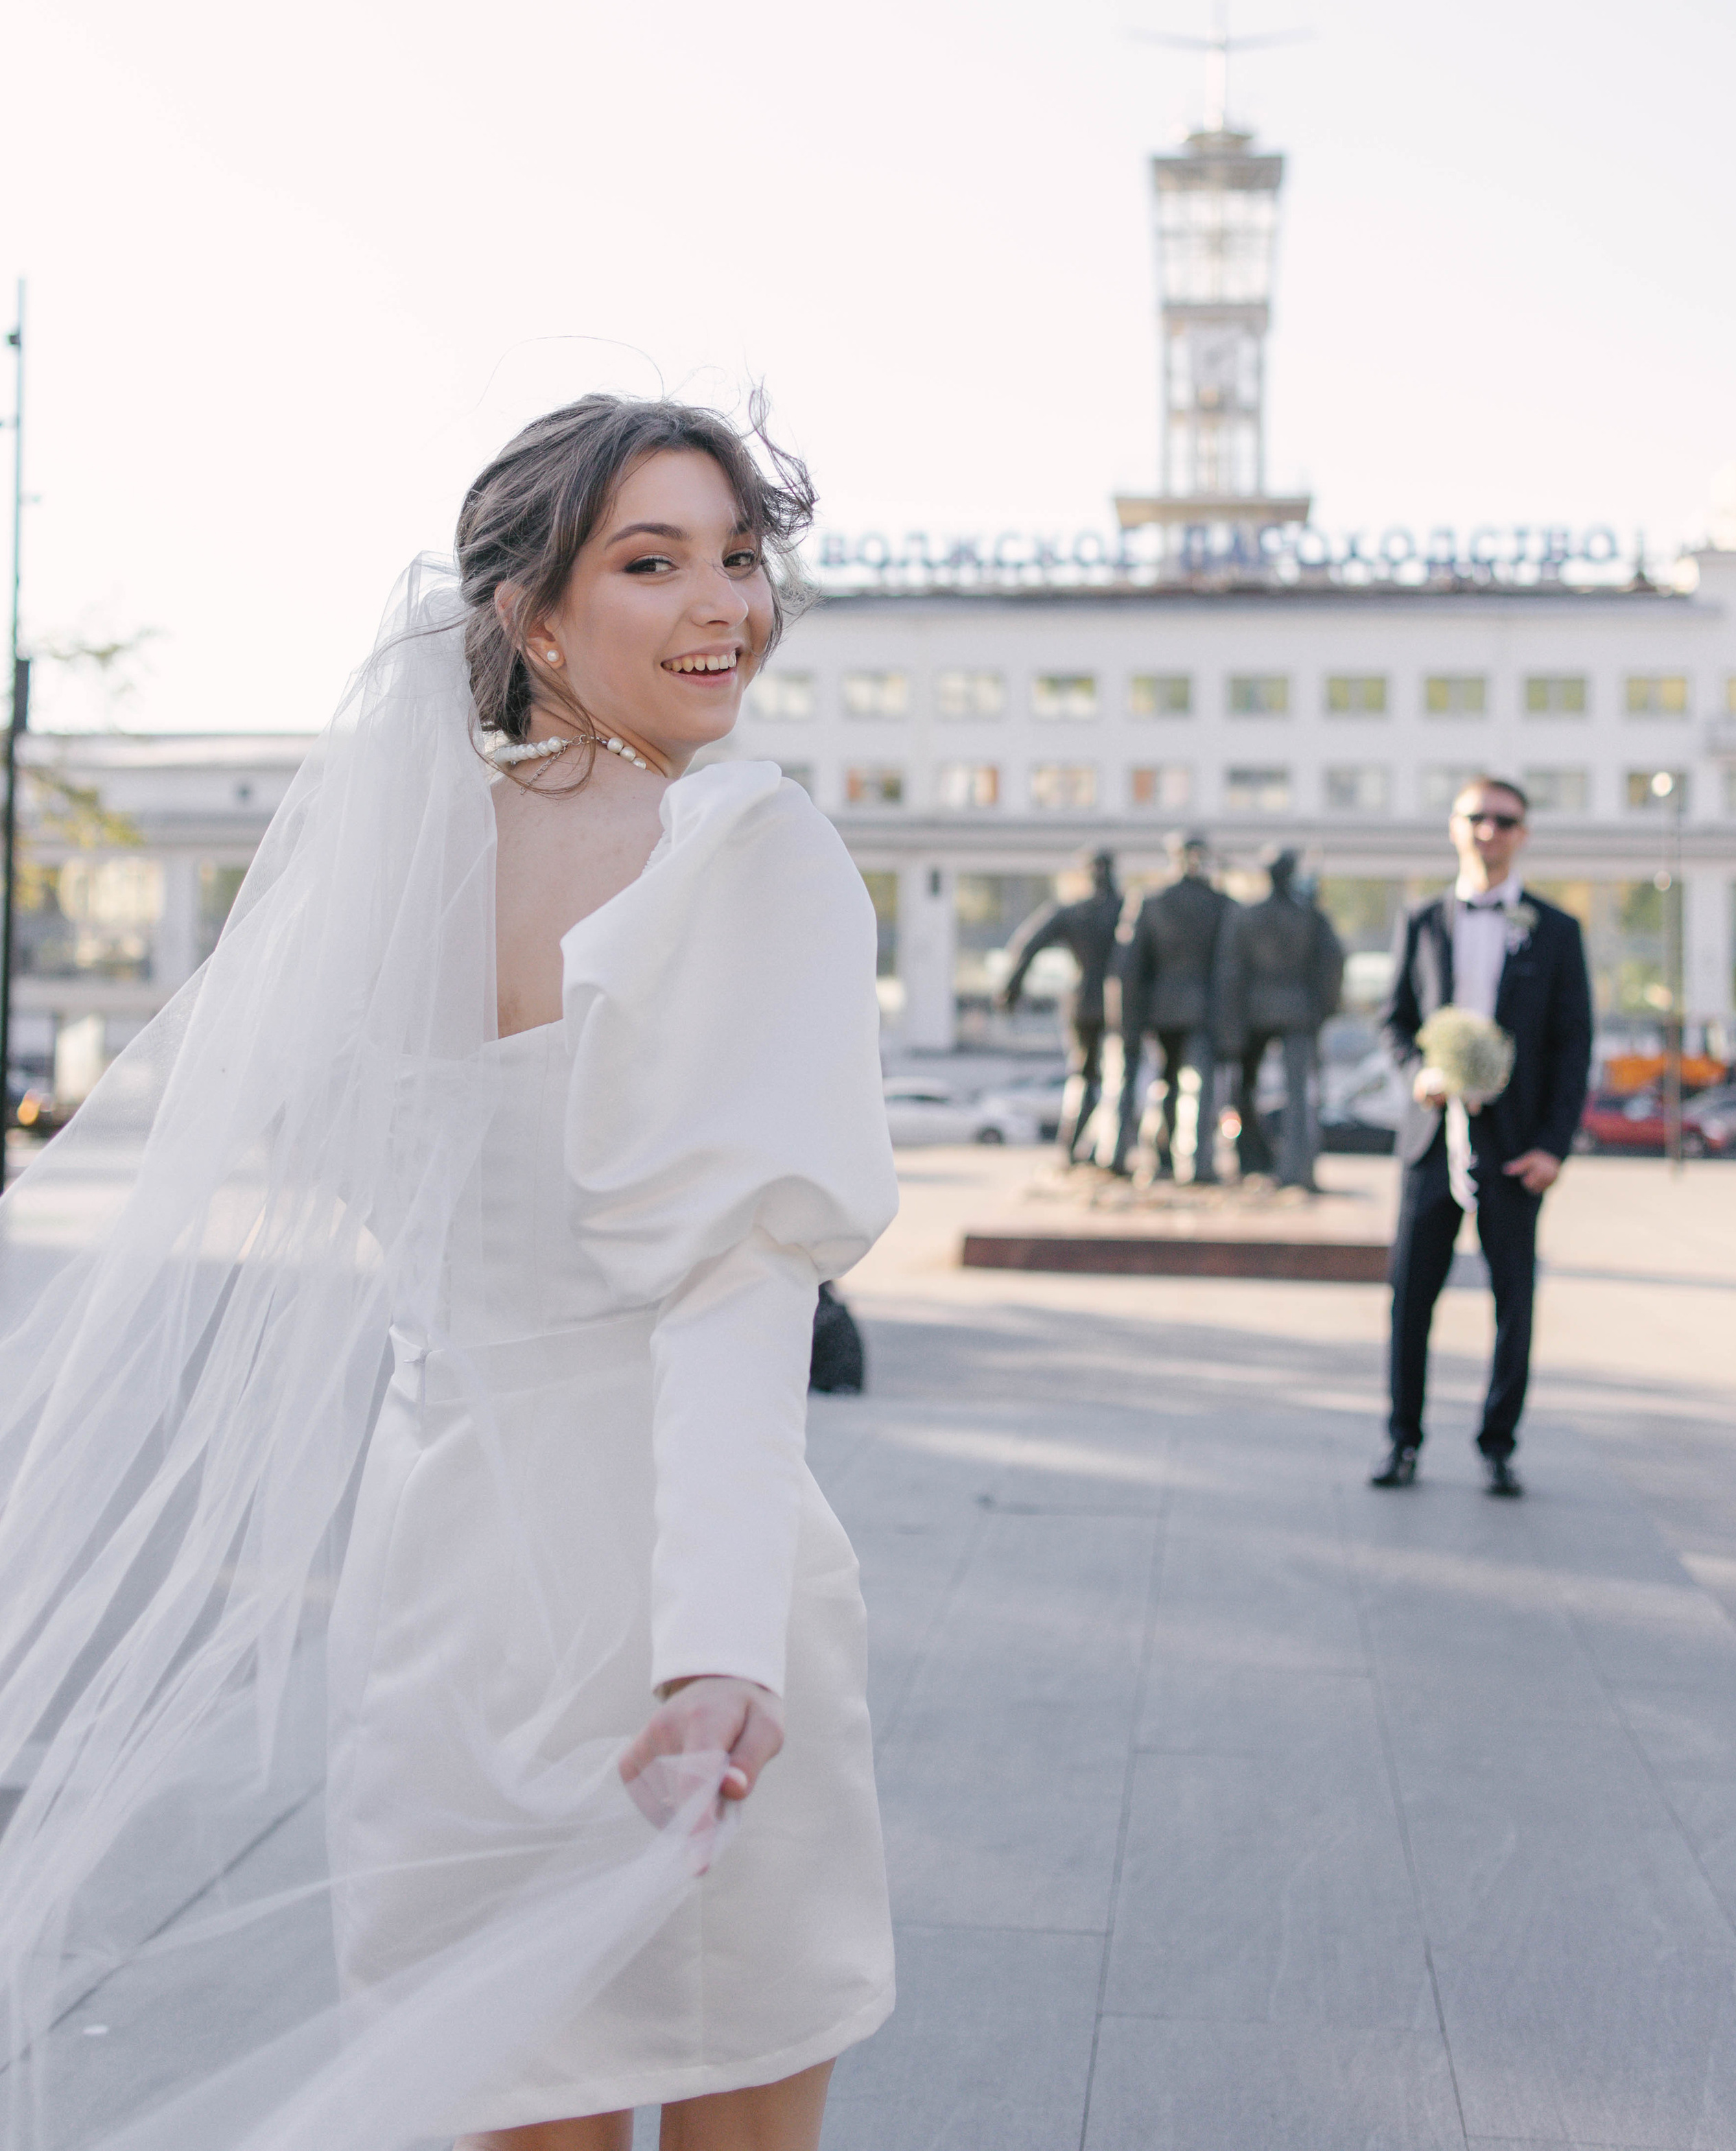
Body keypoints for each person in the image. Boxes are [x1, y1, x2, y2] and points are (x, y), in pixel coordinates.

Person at [0, 397, 899, 2151]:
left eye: (738, 556)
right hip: (680, 1579)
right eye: (652, 561)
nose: (724, 604)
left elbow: (356, 1168)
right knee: (736, 2080)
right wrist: (719, 1655)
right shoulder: (746, 848)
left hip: (442, 1593)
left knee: (502, 2097)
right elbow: (732, 1287)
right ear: (530, 617)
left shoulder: (383, 878)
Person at [1371, 775, 1593, 1498]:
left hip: (1516, 1144)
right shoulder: (1420, 918)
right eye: (1477, 817)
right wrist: (1418, 1074)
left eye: (1504, 819)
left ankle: (1498, 1445)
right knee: (1411, 1297)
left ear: (1522, 833)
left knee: (1514, 1300)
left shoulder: (1557, 930)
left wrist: (1553, 1146)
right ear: (1455, 826)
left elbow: (1572, 1046)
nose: (1489, 830)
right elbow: (1393, 1019)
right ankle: (1402, 1441)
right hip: (1430, 1139)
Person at [1212, 847, 1344, 1190]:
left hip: (1255, 1011)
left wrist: (1231, 1022)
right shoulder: (1309, 916)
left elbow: (1230, 971)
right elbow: (1333, 962)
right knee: (1298, 1094)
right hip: (1297, 1010)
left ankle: (1254, 1161)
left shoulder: (1248, 915)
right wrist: (1322, 1007)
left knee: (1250, 1089)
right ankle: (1296, 1168)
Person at [1112, 833, 1229, 1181]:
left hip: (1160, 1009)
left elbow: (1129, 966)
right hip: (1203, 1008)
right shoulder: (1220, 904)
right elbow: (1231, 966)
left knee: (1165, 1082)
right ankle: (1197, 1163)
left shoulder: (1151, 901)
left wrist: (1127, 1020)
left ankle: (1161, 1157)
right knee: (1199, 1085)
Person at [997, 851, 1123, 1162]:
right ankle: (1104, 1149)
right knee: (1117, 1077)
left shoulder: (1074, 912)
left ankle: (1074, 1147)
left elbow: (1027, 946)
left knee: (1084, 1075)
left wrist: (1012, 989)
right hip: (1119, 1003)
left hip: (1084, 1002)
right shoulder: (1127, 910)